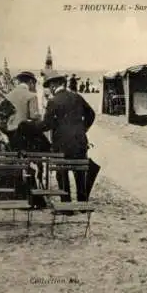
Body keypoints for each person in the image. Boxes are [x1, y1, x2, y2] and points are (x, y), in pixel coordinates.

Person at [36, 70, 96, 203]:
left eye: (49, 87)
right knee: (80, 174)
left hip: (61, 144)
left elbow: (47, 124)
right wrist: (83, 129)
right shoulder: (77, 96)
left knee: (62, 174)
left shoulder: (53, 101)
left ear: (53, 86)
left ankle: (66, 205)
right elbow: (91, 114)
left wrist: (32, 126)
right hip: (79, 142)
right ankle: (82, 202)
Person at [4, 71, 41, 150]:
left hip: (9, 133)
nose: (34, 87)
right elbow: (34, 116)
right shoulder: (32, 96)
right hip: (24, 135)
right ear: (31, 82)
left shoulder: (8, 95)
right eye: (34, 84)